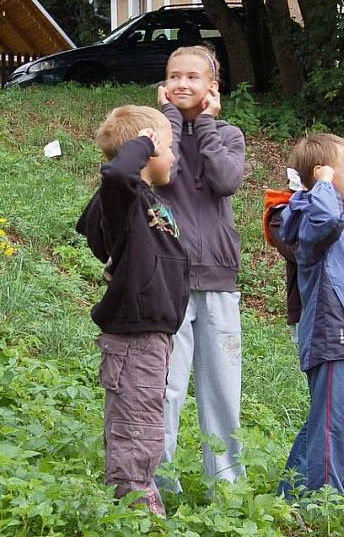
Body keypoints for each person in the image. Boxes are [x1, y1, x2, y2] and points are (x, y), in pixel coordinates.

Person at [76, 105, 190, 516]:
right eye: (169, 147)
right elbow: (118, 174)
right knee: (135, 433)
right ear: (148, 149)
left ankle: (139, 509)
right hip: (134, 337)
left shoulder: (142, 202)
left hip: (154, 335)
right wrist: (144, 141)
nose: (174, 157)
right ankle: (136, 516)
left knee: (147, 431)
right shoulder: (124, 196)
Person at [154, 45, 246, 491]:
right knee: (166, 388)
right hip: (168, 278)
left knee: (223, 392)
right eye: (174, 76)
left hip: (218, 280)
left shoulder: (229, 134)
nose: (182, 84)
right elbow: (162, 175)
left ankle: (226, 488)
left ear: (213, 87)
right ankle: (158, 483)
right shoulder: (155, 134)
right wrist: (168, 120)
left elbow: (225, 180)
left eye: (193, 77)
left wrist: (205, 124)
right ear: (163, 85)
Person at [278, 134, 344, 494]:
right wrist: (323, 185)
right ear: (320, 174)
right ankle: (323, 501)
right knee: (333, 425)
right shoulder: (309, 215)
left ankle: (299, 494)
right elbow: (323, 219)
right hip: (331, 333)